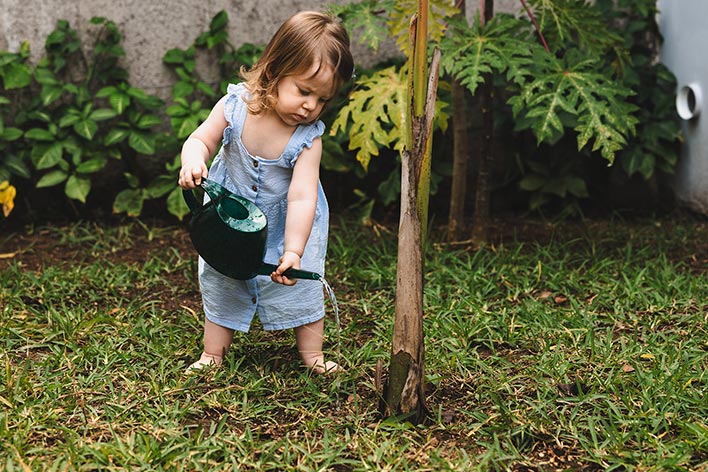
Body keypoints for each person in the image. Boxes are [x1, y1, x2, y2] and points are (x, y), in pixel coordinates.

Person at [178, 11, 354, 375]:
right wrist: (193, 161)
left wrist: (293, 249)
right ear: (274, 70)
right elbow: (200, 139)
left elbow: (303, 196)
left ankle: (313, 354)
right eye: (304, 91)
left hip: (290, 222)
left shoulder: (308, 139)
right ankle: (212, 353)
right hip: (231, 219)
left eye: (322, 99)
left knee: (299, 282)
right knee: (222, 276)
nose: (310, 106)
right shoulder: (234, 107)